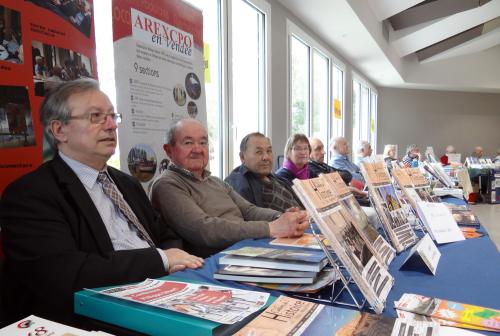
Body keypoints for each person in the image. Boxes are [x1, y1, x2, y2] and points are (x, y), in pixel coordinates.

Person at [0, 79, 203, 326]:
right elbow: (64, 274)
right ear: (59, 130)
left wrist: (174, 263)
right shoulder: (30, 194)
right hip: (97, 316)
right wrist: (161, 259)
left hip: (168, 292)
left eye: (112, 116)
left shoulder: (126, 183)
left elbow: (164, 232)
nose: (110, 126)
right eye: (96, 117)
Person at [151, 119, 309, 258]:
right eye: (188, 142)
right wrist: (271, 228)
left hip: (246, 250)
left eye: (203, 142)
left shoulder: (214, 181)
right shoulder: (167, 184)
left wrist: (284, 217)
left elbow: (249, 210)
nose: (197, 149)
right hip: (217, 261)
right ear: (169, 150)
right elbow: (205, 230)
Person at [225, 132, 302, 212]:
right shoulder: (237, 183)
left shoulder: (278, 179)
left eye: (269, 151)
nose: (266, 157)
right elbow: (248, 218)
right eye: (259, 152)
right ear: (242, 157)